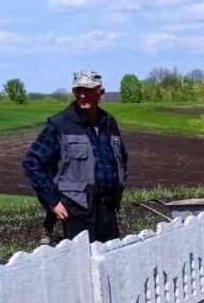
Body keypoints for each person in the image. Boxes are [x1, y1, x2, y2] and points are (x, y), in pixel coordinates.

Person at [23, 70, 128, 243]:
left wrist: (119, 183)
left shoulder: (109, 123)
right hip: (77, 209)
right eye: (78, 90)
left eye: (87, 90)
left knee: (109, 260)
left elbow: (121, 158)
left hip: (107, 208)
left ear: (100, 93)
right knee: (84, 264)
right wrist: (53, 202)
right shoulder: (60, 124)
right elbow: (32, 163)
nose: (82, 95)